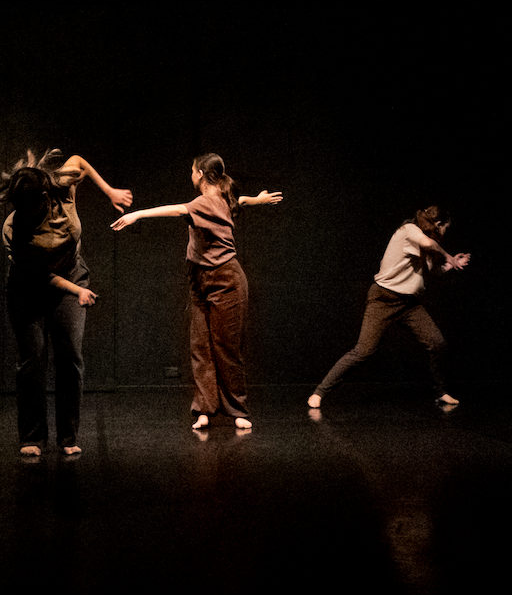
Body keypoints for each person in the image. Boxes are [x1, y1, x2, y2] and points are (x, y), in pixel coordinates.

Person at [111, 154, 282, 430]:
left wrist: (137, 214)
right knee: (200, 346)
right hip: (200, 279)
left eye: (192, 170)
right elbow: (242, 200)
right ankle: (204, 408)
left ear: (201, 173)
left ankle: (237, 409)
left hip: (226, 280)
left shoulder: (203, 202)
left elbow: (177, 210)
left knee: (226, 348)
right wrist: (259, 200)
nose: (190, 174)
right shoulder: (224, 193)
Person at [0, 150, 132, 456]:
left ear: (46, 196)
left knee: (70, 359)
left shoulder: (62, 187)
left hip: (72, 278)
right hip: (28, 290)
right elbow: (41, 276)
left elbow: (79, 160)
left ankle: (68, 435)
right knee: (32, 362)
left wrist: (110, 192)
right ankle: (32, 437)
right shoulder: (14, 229)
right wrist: (76, 292)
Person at [308, 205, 470, 410]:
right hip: (383, 299)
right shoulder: (410, 230)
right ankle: (319, 392)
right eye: (445, 227)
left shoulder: (429, 245)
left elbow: (434, 271)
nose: (446, 232)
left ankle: (441, 392)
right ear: (438, 224)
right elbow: (427, 243)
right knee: (363, 351)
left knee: (437, 343)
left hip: (409, 305)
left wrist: (452, 264)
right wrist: (448, 255)